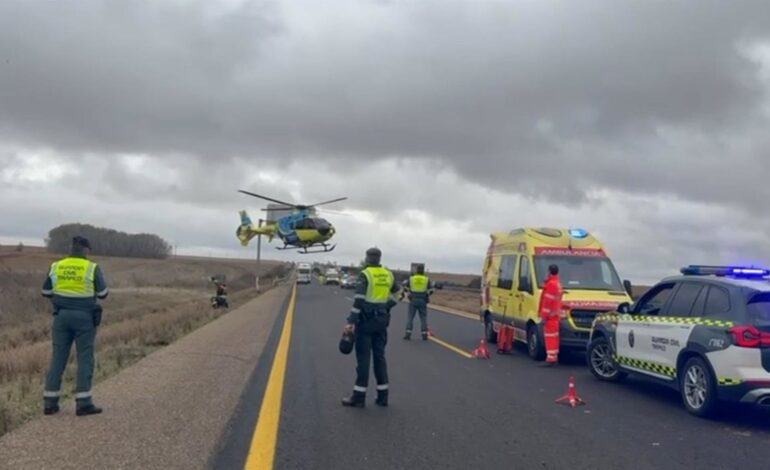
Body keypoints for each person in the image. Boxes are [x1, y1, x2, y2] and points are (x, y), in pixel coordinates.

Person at [41, 236, 109, 416]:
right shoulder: (92, 267)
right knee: (85, 357)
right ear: (87, 250)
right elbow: (103, 294)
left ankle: (50, 403)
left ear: (71, 248)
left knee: (58, 358)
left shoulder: (56, 266)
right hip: (85, 318)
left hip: (61, 317)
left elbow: (45, 291)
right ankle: (84, 403)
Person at [341, 247, 399, 408]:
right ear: (379, 259)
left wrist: (350, 322)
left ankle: (359, 397)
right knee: (380, 358)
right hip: (382, 321)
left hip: (366, 322)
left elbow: (358, 300)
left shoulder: (365, 275)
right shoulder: (388, 274)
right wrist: (387, 306)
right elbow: (399, 294)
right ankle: (383, 397)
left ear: (367, 258)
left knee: (364, 359)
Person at [539, 264, 564, 366]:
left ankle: (550, 359)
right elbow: (558, 301)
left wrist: (544, 317)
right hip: (555, 316)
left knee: (550, 337)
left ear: (549, 271)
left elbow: (547, 303)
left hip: (550, 316)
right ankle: (554, 357)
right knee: (554, 337)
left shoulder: (551, 284)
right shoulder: (558, 283)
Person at [403, 264, 433, 340]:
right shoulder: (426, 279)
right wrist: (426, 295)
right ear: (423, 270)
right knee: (423, 318)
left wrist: (409, 294)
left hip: (413, 300)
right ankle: (424, 335)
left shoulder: (411, 278)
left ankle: (408, 334)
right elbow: (431, 290)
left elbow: (405, 288)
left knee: (410, 317)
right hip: (422, 300)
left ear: (416, 270)